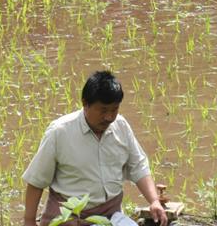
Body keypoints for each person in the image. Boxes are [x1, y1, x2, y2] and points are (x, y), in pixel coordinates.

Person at [22, 71, 168, 226]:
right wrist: (29, 221)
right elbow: (36, 180)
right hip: (69, 218)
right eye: (103, 110)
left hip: (112, 217)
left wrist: (154, 201)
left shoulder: (121, 126)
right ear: (85, 103)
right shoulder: (60, 132)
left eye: (114, 109)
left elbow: (138, 166)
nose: (109, 117)